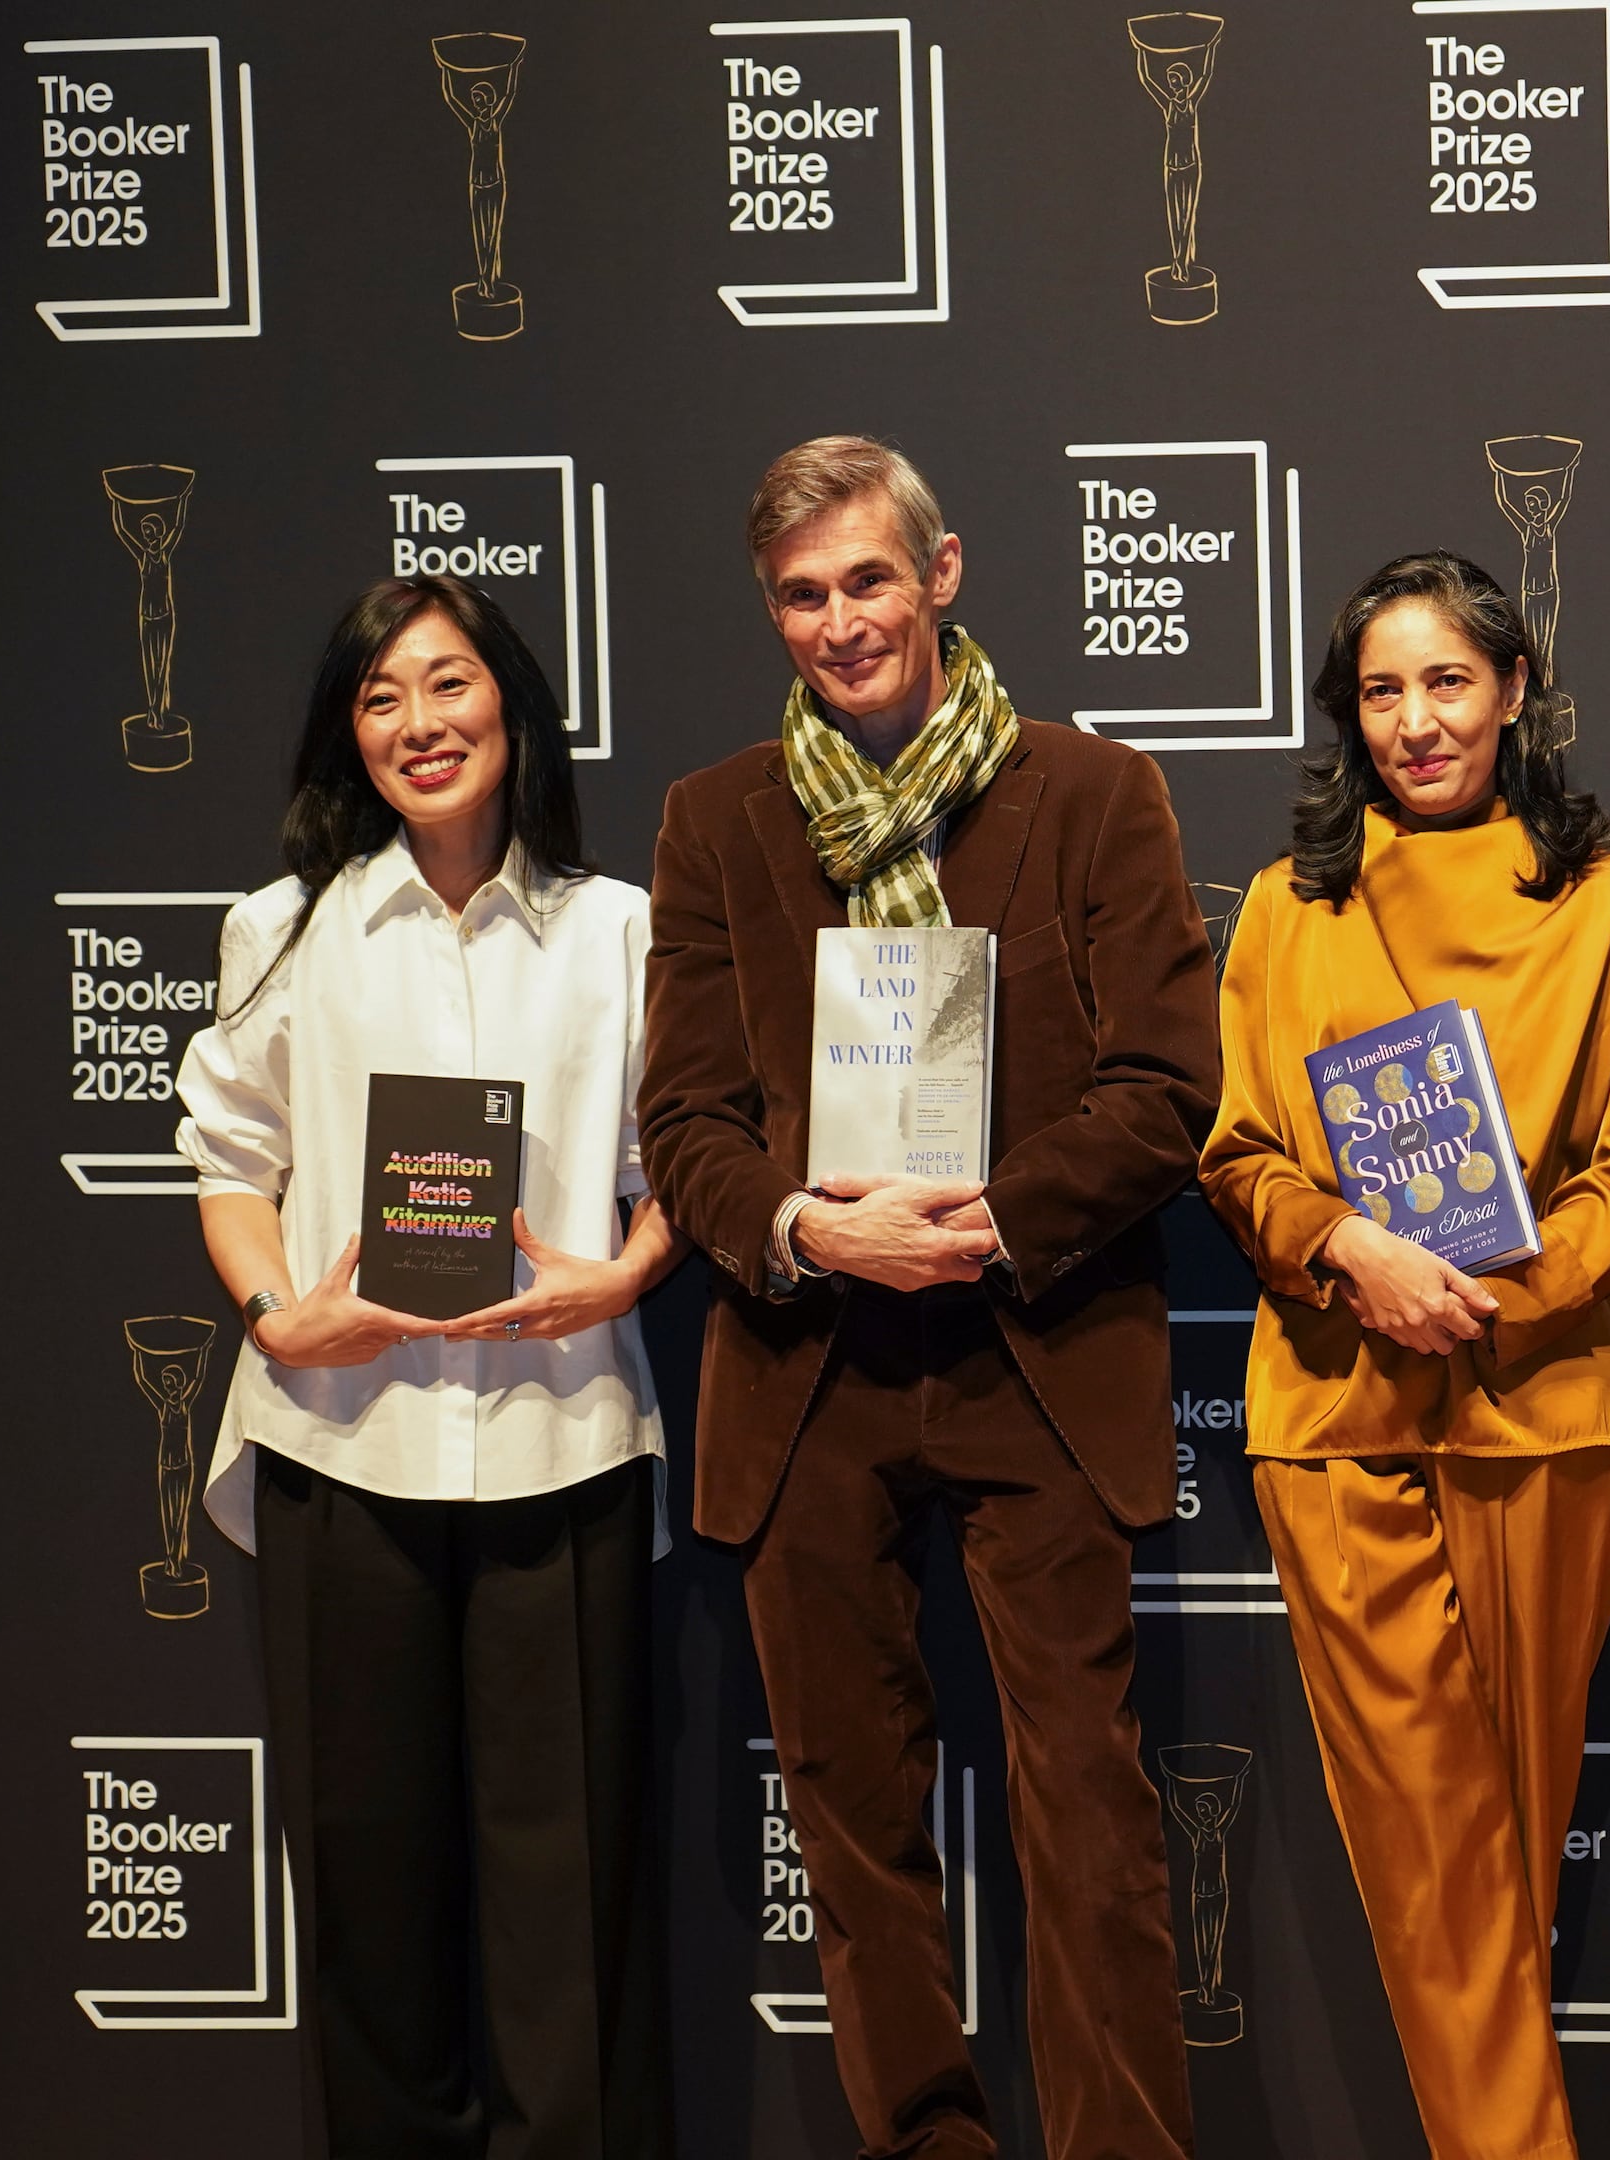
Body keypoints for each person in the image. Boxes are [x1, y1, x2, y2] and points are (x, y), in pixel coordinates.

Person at [637, 437, 1215, 2160]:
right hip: (808, 1367)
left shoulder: (1096, 793)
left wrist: (987, 1220)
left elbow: (1165, 1090)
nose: (841, 622)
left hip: (1038, 1354)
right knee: (850, 1829)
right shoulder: (716, 821)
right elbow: (687, 1124)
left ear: (941, 574)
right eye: (803, 595)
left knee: (1091, 1823)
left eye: (869, 580)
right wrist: (813, 1231)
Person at [175, 574, 675, 2158]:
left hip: (562, 1444)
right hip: (342, 1447)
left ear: (511, 703)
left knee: (568, 1912)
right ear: (351, 733)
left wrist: (625, 1272)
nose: (419, 723)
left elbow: (685, 1162)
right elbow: (228, 1161)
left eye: (449, 683)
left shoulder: (618, 929)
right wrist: (278, 1316)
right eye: (381, 697)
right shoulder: (282, 929)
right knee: (368, 1900)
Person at [1197, 551, 1610, 2160]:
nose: (1417, 722)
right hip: (1335, 1412)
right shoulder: (1287, 907)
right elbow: (1239, 1156)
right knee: (1432, 1850)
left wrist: (1478, 1295)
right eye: (1383, 691)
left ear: (1515, 690)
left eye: (1449, 682)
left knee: (1505, 1855)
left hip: (1545, 1409)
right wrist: (1354, 1253)